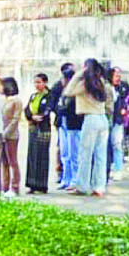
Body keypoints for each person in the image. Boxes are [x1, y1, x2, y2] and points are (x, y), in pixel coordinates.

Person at [67, 58, 113, 196]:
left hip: (91, 118)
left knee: (85, 154)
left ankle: (82, 185)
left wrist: (78, 74)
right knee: (100, 155)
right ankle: (99, 186)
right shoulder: (101, 82)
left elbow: (68, 91)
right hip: (102, 118)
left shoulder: (85, 84)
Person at [54, 63, 83, 191]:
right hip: (63, 124)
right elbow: (58, 106)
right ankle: (66, 179)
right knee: (64, 153)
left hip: (73, 125)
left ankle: (75, 179)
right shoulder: (63, 92)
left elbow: (69, 108)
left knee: (74, 154)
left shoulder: (75, 93)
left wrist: (62, 109)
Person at [23, 73, 54, 193]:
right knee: (32, 155)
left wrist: (40, 117)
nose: (37, 85)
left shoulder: (49, 96)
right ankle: (31, 184)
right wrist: (31, 116)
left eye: (39, 82)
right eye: (35, 82)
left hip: (43, 128)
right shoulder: (33, 96)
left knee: (42, 156)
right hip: (33, 128)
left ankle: (41, 185)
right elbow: (27, 109)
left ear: (45, 83)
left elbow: (48, 109)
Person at [1, 76, 23, 194]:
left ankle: (15, 186)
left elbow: (15, 119)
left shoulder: (16, 101)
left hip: (11, 135)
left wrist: (6, 133)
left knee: (12, 161)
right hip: (1, 134)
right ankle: (5, 186)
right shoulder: (3, 99)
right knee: (4, 162)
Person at [108, 67, 128, 177]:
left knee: (117, 144)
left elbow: (126, 101)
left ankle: (118, 169)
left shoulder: (122, 88)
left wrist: (124, 109)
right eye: (116, 76)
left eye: (119, 76)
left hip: (117, 120)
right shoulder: (106, 88)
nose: (118, 78)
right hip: (107, 120)